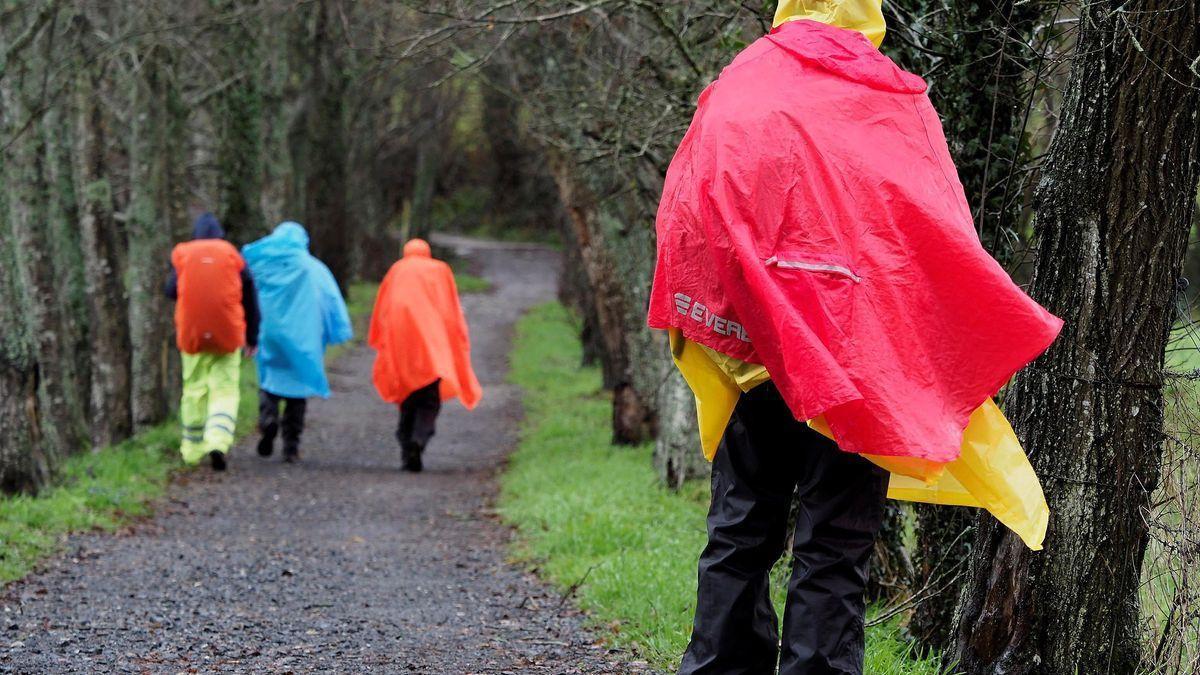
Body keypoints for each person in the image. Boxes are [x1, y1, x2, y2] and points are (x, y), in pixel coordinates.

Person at [646, 1, 1064, 673]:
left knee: (740, 530)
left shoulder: (742, 80)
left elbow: (690, 210)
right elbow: (934, 228)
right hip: (854, 367)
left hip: (752, 360)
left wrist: (725, 323)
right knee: (833, 545)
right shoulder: (890, 99)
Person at [242, 222, 353, 463]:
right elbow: (330, 300)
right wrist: (338, 331)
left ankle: (268, 420)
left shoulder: (259, 263)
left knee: (270, 381)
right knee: (297, 391)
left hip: (268, 333)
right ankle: (291, 446)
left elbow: (244, 294)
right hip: (302, 336)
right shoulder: (313, 268)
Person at [368, 239, 482, 472]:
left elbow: (383, 307)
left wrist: (380, 338)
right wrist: (455, 339)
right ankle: (419, 438)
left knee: (407, 398)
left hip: (401, 345)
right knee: (429, 399)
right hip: (432, 345)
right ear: (427, 253)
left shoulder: (396, 270)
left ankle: (406, 443)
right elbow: (450, 309)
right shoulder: (440, 270)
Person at [166, 213, 260, 472]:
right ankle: (217, 441)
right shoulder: (231, 255)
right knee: (224, 389)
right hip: (227, 335)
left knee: (194, 389)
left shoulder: (184, 254)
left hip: (192, 335)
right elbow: (250, 297)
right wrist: (252, 336)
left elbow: (170, 290)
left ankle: (192, 450)